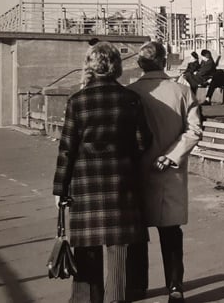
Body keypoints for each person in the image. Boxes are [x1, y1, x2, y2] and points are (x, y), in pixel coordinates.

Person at [52, 41, 152, 302]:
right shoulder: (130, 99)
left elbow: (67, 149)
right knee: (118, 249)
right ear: (116, 67)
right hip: (121, 183)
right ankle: (116, 297)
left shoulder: (77, 101)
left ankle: (87, 298)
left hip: (85, 185)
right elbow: (143, 141)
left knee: (87, 246)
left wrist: (59, 188)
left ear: (90, 66)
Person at [127, 41, 202, 302]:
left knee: (136, 234)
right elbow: (194, 131)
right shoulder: (182, 92)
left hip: (136, 171)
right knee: (171, 233)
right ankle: (175, 286)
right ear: (164, 61)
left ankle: (137, 285)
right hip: (170, 172)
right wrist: (171, 156)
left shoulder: (130, 92)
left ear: (140, 64)